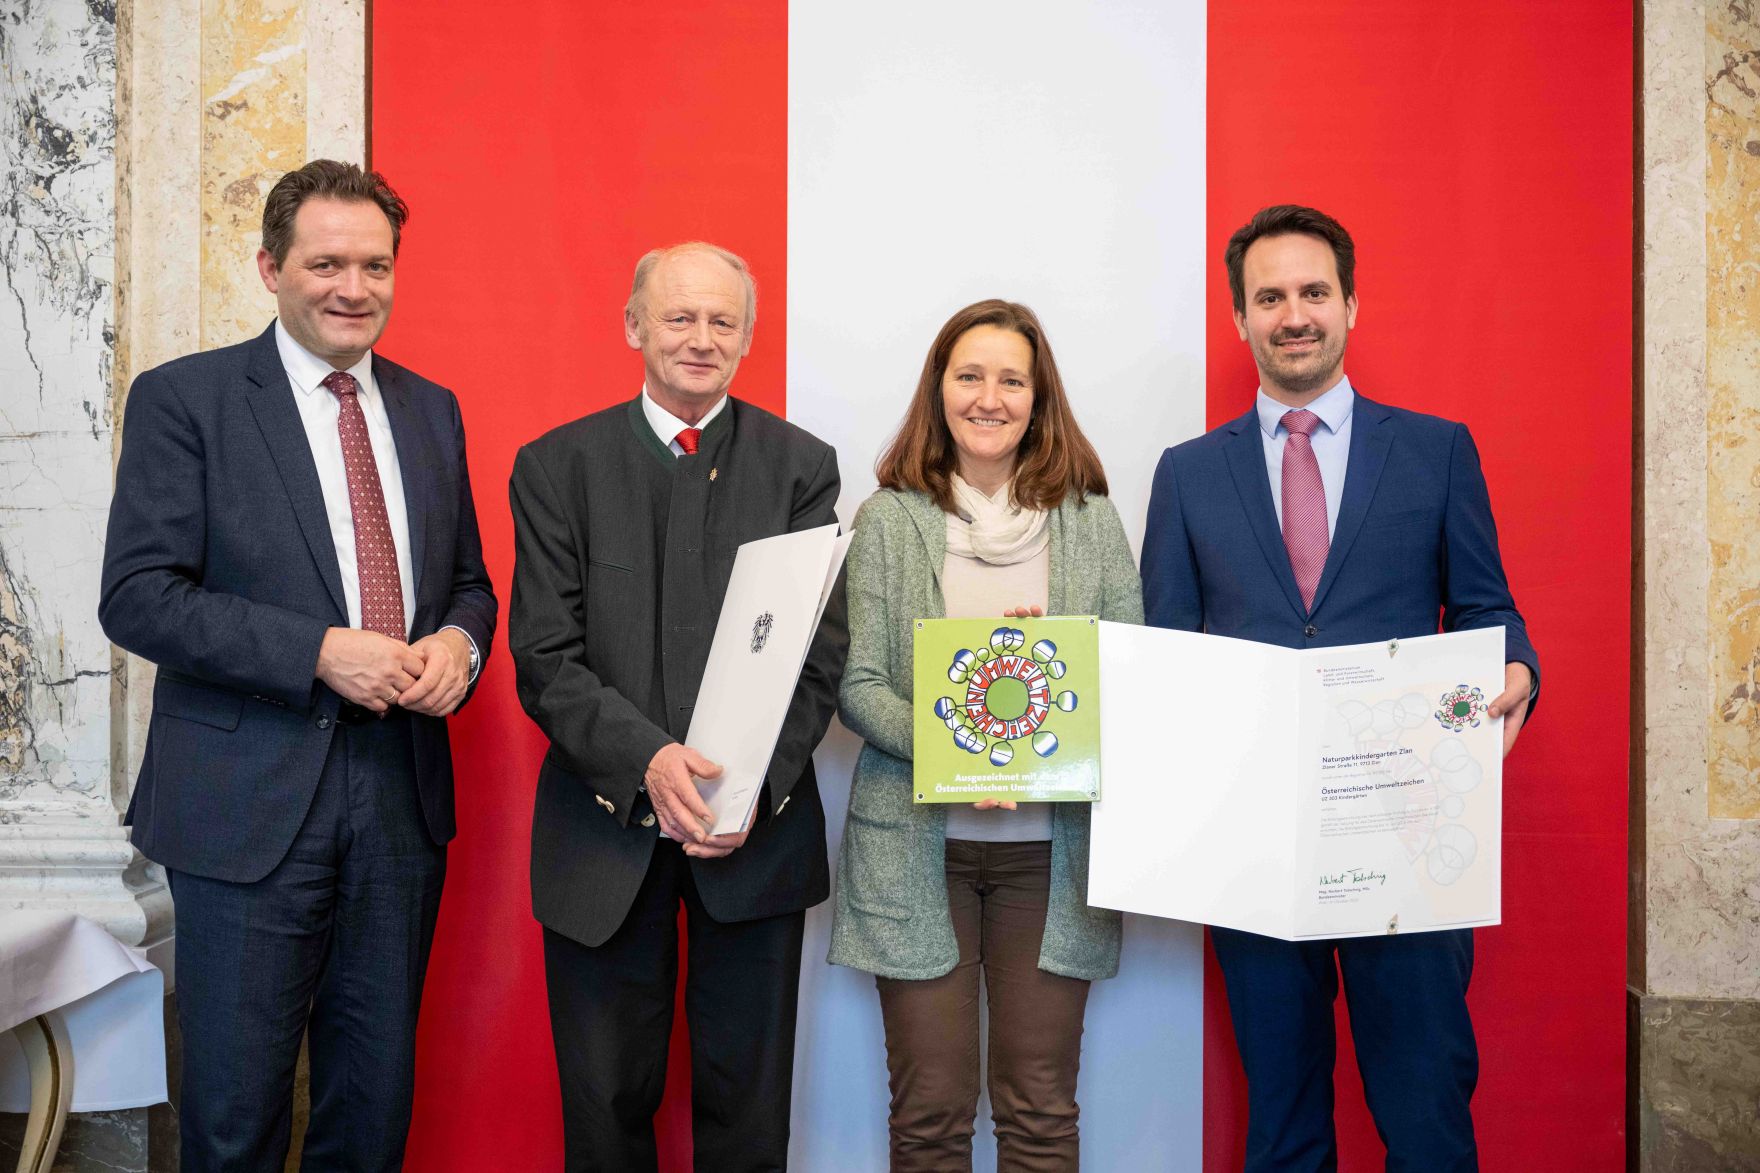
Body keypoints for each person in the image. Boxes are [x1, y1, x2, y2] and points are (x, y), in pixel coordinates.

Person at [98, 159, 496, 1171]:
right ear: (271, 266)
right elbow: (138, 595)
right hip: (246, 809)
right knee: (233, 1117)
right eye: (325, 263)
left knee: (370, 1113)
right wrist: (316, 651)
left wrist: (459, 642)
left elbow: (467, 583)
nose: (352, 288)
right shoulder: (187, 401)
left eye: (374, 265)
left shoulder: (429, 409)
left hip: (400, 801)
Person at [1141, 204, 1540, 1171]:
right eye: (1269, 296)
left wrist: (1518, 668)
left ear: (1352, 303)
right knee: (1282, 1119)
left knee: (1426, 1107)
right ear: (1240, 318)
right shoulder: (1189, 475)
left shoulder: (1437, 449)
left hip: (1408, 835)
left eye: (1314, 291)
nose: (1294, 314)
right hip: (1254, 845)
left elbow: (1489, 610)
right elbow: (1167, 652)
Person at [507, 241, 848, 1171]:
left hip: (755, 839)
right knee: (605, 1112)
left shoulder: (800, 467)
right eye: (678, 317)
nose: (701, 339)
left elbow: (820, 653)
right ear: (632, 326)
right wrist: (649, 763)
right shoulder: (555, 467)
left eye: (722, 321)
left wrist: (746, 792)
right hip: (602, 833)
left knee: (749, 1114)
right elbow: (543, 656)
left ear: (748, 337)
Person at [828, 299, 1142, 1170]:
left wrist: (1055, 715)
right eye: (970, 375)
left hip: (1051, 857)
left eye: (1012, 378)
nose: (990, 396)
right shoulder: (889, 519)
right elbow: (857, 688)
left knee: (1039, 1110)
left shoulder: (1091, 521)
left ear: (1040, 399)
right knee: (929, 1115)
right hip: (916, 852)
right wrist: (961, 754)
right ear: (940, 390)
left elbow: (1126, 679)